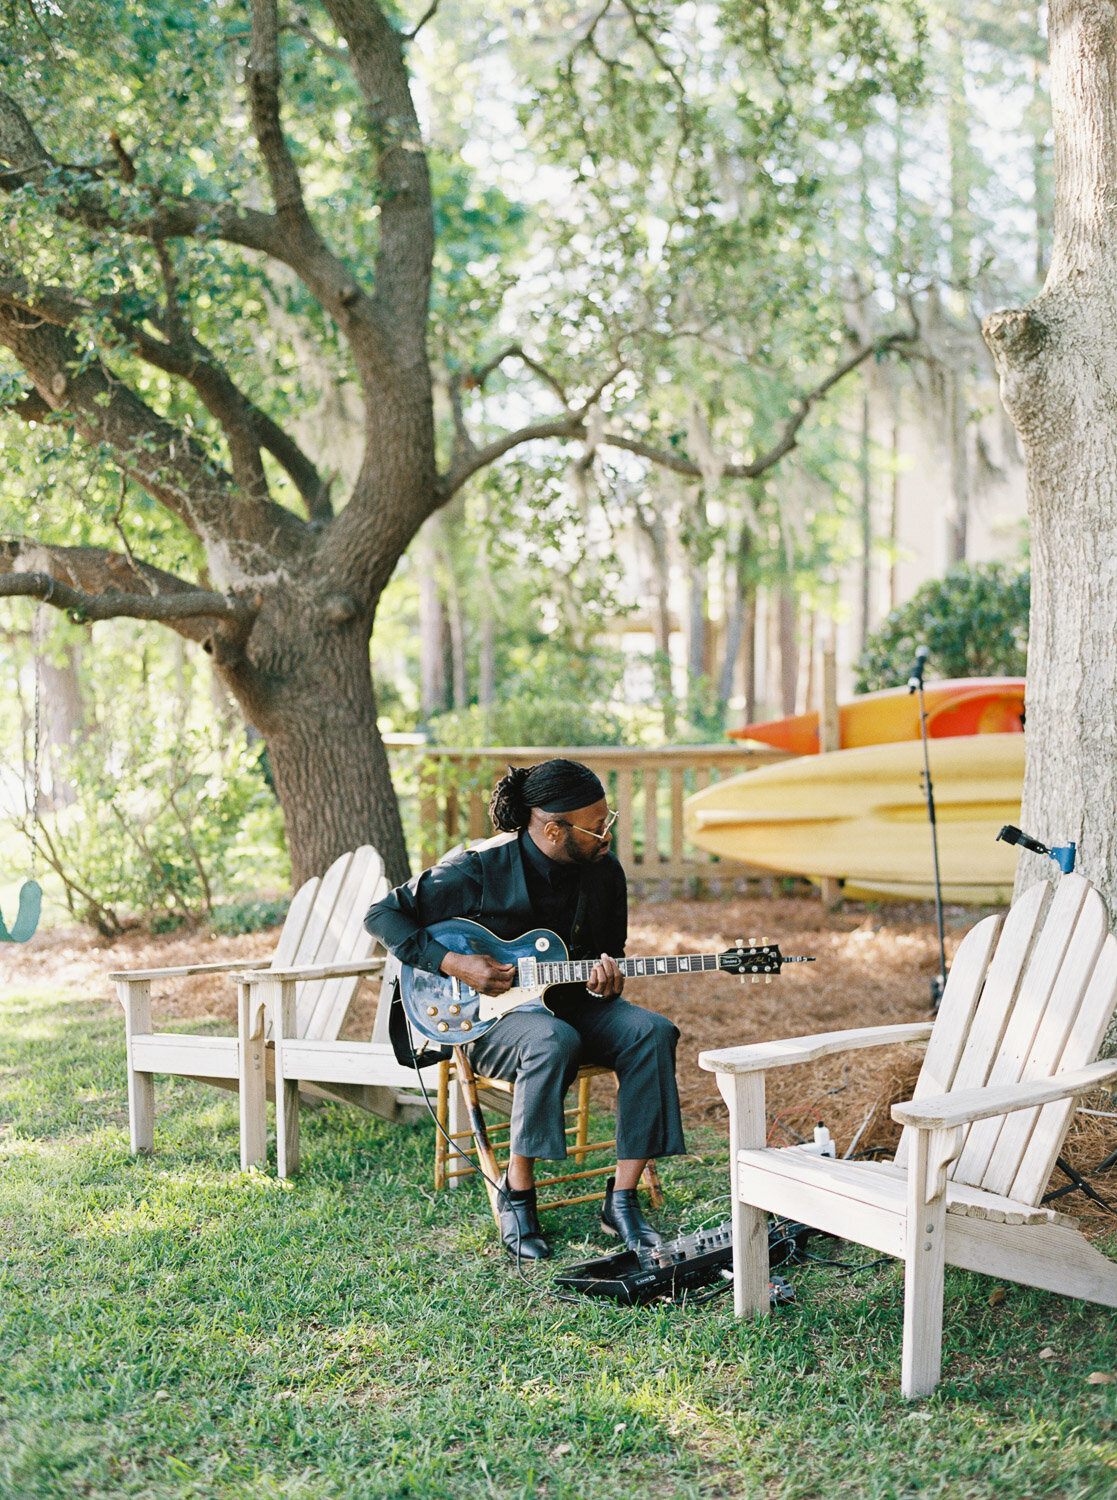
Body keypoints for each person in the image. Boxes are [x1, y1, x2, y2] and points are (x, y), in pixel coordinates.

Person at [365, 758, 686, 1260]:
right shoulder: (478, 869)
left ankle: (621, 1200)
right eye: (598, 824)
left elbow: (609, 957)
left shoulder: (604, 874)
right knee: (551, 1039)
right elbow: (382, 915)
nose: (607, 833)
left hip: (572, 1003)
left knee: (653, 1033)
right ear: (553, 830)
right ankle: (518, 1193)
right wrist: (455, 963)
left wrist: (607, 981)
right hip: (488, 1017)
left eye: (609, 820)